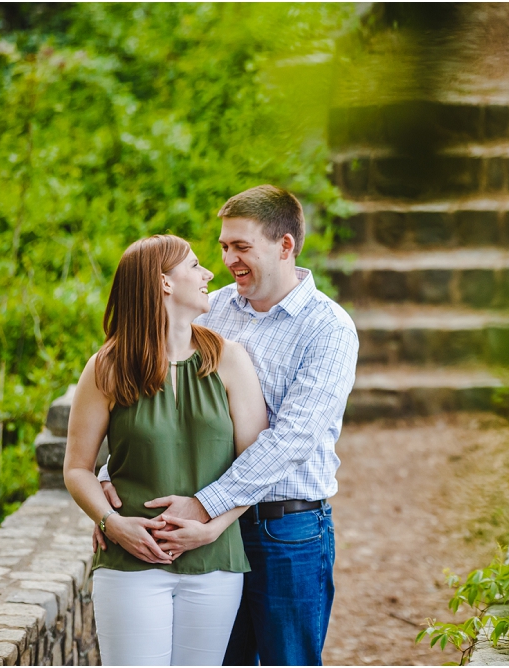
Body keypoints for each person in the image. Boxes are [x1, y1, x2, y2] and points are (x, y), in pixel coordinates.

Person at [96, 185, 360, 666]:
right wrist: (112, 485)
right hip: (209, 537)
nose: (228, 259)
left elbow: (291, 440)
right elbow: (144, 386)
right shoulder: (211, 308)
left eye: (242, 247)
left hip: (288, 530)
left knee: (288, 661)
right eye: (223, 246)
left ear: (285, 246)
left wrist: (205, 506)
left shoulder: (329, 328)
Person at [64, 235, 269, 665]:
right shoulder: (106, 367)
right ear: (164, 283)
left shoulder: (230, 359)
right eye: (195, 265)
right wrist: (112, 522)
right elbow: (77, 468)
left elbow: (256, 464)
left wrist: (213, 526)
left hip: (215, 561)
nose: (209, 273)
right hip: (130, 564)